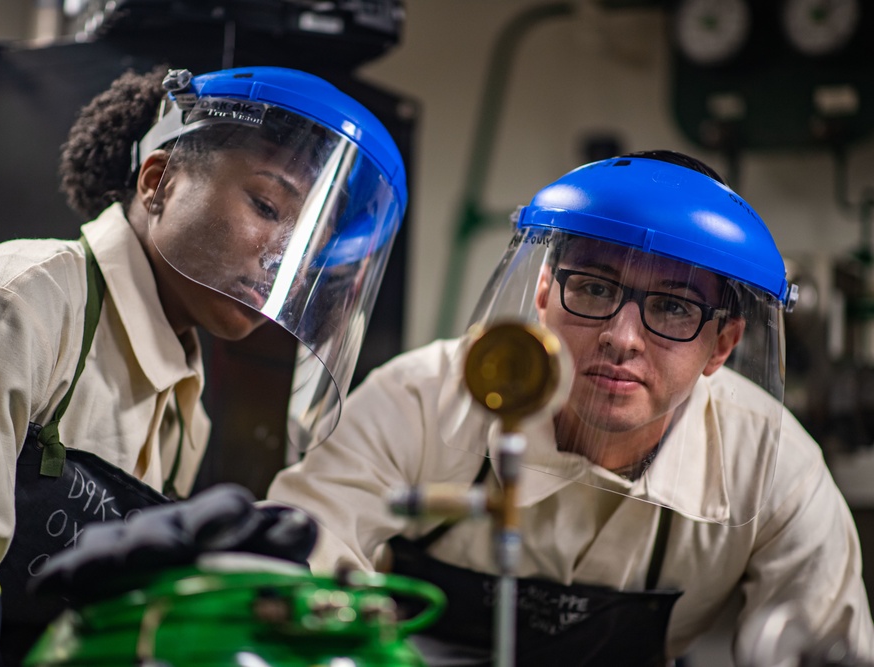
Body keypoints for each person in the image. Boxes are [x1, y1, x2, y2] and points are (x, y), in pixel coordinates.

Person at [0, 64, 407, 666]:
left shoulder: (184, 403)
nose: (286, 260)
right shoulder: (20, 305)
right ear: (159, 181)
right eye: (267, 205)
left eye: (312, 243)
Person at [267, 150, 874, 666]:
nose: (622, 337)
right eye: (593, 288)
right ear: (542, 294)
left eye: (673, 307)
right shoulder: (421, 400)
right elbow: (289, 568)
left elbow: (825, 646)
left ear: (723, 345)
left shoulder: (774, 468)